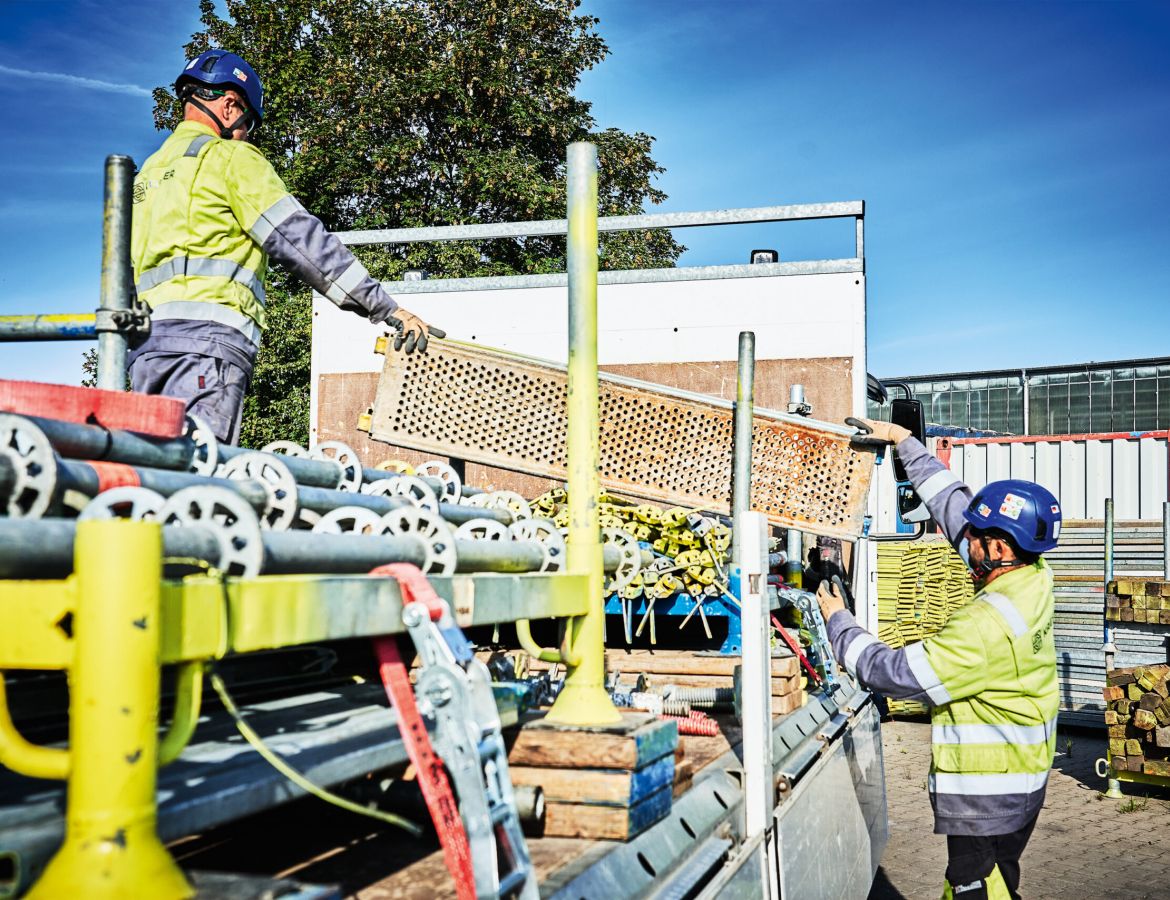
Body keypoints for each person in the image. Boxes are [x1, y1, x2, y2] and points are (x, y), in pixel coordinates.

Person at [130, 49, 441, 443]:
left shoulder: (145, 178)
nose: (245, 136)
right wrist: (386, 308)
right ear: (229, 106)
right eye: (248, 125)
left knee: (154, 469)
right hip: (207, 345)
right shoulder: (228, 157)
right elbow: (301, 243)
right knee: (198, 474)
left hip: (147, 353)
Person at [818, 418, 1061, 900]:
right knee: (991, 881)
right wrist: (904, 443)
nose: (962, 536)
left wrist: (837, 620)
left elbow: (893, 674)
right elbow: (954, 507)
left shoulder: (984, 626)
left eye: (976, 534)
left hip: (986, 793)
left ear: (996, 547)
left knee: (976, 888)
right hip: (1022, 781)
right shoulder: (1033, 576)